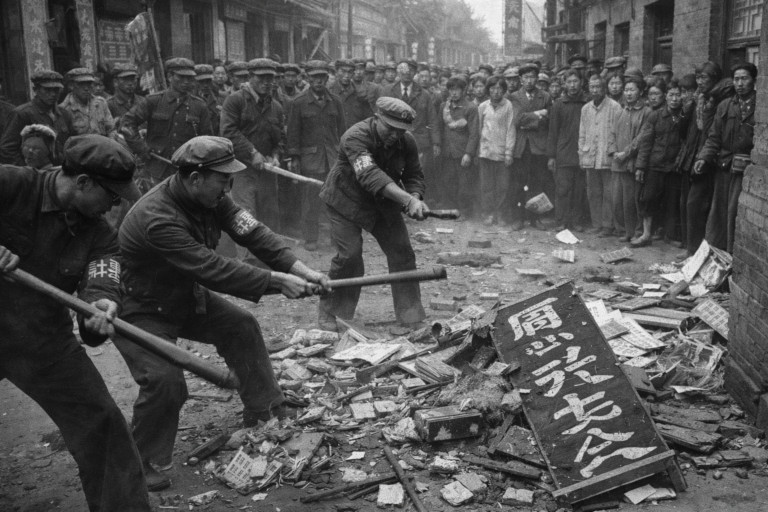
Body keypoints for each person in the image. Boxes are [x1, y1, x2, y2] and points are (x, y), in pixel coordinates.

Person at [114, 135, 328, 490]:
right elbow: (211, 268)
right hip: (140, 308)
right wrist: (275, 281)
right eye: (223, 180)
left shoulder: (212, 196)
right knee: (165, 381)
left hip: (182, 295)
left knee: (240, 326)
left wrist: (300, 268)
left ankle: (266, 408)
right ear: (195, 177)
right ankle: (143, 459)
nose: (229, 187)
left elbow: (253, 232)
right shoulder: (157, 217)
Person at [0, 134, 151, 508]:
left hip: (40, 340)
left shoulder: (100, 233)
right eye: (111, 197)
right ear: (83, 182)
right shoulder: (13, 183)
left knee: (103, 423)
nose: (114, 206)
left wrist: (101, 305)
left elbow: (103, 278)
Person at [317, 97, 430, 331]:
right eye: (390, 129)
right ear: (377, 118)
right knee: (350, 256)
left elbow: (414, 175)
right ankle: (334, 314)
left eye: (401, 131)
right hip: (345, 202)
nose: (395, 135)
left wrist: (416, 198)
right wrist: (406, 199)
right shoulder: (355, 137)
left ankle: (410, 314)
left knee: (402, 253)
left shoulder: (406, 141)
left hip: (382, 204)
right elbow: (370, 175)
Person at [695, 62, 757, 253]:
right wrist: (703, 157)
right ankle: (715, 257)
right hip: (724, 168)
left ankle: (733, 258)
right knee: (718, 215)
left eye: (744, 78)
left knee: (735, 214)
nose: (739, 83)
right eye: (736, 79)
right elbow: (714, 136)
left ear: (754, 80)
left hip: (747, 171)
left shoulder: (761, 105)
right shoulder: (725, 106)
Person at [122, 58, 213, 185]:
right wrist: (141, 148)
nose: (186, 82)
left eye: (189, 78)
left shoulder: (199, 106)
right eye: (181, 77)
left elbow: (207, 139)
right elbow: (127, 124)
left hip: (187, 171)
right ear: (170, 76)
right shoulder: (153, 101)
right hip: (156, 170)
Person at [220, 58, 285, 235]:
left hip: (267, 171)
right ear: (250, 77)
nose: (267, 82)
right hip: (241, 169)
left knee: (270, 217)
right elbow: (228, 133)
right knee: (245, 217)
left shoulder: (276, 107)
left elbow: (280, 138)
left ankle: (270, 260)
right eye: (261, 78)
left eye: (270, 78)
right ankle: (247, 261)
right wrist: (252, 152)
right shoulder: (235, 101)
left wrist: (276, 155)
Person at [286, 60, 345, 251]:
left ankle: (337, 239)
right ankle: (311, 238)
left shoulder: (336, 101)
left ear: (327, 79)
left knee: (336, 201)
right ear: (308, 79)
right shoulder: (299, 103)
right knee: (310, 201)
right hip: (310, 160)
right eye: (314, 77)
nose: (318, 81)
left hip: (333, 159)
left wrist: (344, 156)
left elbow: (343, 132)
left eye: (322, 77)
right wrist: (294, 159)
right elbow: (293, 134)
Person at [676, 62, 732, 256]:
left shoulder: (719, 100)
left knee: (697, 205)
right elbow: (684, 131)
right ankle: (690, 248)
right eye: (698, 77)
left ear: (714, 79)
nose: (699, 82)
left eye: (704, 78)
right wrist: (687, 108)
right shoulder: (699, 99)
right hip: (692, 157)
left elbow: (711, 131)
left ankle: (696, 251)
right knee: (688, 204)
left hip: (708, 160)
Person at [634, 78, 686, 247]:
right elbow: (646, 143)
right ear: (666, 96)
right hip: (654, 165)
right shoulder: (655, 116)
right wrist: (641, 166)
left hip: (674, 167)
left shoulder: (685, 117)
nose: (674, 99)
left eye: (678, 95)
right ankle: (646, 234)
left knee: (672, 202)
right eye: (671, 95)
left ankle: (669, 235)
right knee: (648, 199)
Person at [382, 59, 441, 198]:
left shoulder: (424, 94)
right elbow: (381, 116)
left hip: (418, 141)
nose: (406, 74)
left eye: (411, 71)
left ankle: (417, 200)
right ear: (398, 71)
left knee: (417, 172)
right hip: (394, 139)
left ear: (415, 73)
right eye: (403, 70)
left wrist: (436, 142)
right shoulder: (388, 90)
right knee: (393, 170)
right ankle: (397, 201)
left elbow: (432, 119)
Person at [510, 62, 552, 230]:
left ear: (537, 78)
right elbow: (517, 120)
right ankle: (519, 218)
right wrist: (537, 115)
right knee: (519, 183)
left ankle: (535, 219)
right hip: (521, 147)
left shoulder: (545, 96)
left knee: (537, 183)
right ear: (520, 79)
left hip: (538, 146)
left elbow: (548, 120)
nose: (529, 81)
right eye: (526, 77)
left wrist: (529, 121)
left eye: (532, 77)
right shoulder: (514, 97)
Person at [579, 74, 622, 236]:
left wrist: (614, 152)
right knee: (593, 192)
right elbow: (582, 134)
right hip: (590, 156)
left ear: (605, 89)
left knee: (609, 193)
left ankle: (607, 225)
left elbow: (619, 133)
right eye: (592, 87)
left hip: (607, 157)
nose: (595, 90)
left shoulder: (615, 107)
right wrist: (582, 155)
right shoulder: (586, 109)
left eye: (598, 87)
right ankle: (596, 223)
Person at [608, 73, 649, 242]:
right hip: (617, 163)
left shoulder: (646, 112)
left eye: (632, 90)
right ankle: (624, 230)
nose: (628, 93)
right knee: (617, 200)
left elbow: (641, 138)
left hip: (632, 164)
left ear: (640, 92)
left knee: (631, 201)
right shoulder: (621, 110)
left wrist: (625, 153)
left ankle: (635, 232)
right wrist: (613, 151)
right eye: (626, 90)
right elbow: (612, 133)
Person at [0, 70, 68, 165]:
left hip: (59, 172)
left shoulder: (63, 113)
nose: (53, 94)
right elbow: (7, 149)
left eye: (56, 90)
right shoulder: (22, 113)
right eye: (47, 90)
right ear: (36, 90)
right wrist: (28, 172)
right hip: (36, 175)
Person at [548, 69, 588, 231]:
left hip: (582, 153)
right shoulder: (559, 104)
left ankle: (576, 221)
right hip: (563, 153)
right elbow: (553, 132)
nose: (572, 85)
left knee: (579, 190)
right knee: (563, 189)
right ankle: (561, 221)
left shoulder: (587, 103)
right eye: (569, 82)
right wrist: (551, 156)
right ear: (565, 84)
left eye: (575, 81)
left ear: (581, 83)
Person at [438, 75, 479, 214]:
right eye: (451, 89)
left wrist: (469, 153)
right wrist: (438, 145)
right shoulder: (444, 106)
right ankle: (451, 209)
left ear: (463, 90)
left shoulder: (470, 107)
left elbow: (474, 134)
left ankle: (465, 211)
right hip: (447, 151)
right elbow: (438, 127)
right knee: (448, 181)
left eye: (457, 90)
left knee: (464, 184)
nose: (454, 92)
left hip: (462, 152)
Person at [478, 76, 516, 226]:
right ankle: (488, 214)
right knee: (486, 186)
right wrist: (479, 150)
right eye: (493, 89)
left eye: (499, 89)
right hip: (485, 152)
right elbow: (479, 129)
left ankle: (500, 214)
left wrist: (509, 153)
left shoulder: (508, 106)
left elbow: (510, 129)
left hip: (501, 153)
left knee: (502, 187)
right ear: (488, 90)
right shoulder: (482, 106)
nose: (496, 92)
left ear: (504, 90)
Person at [59, 68, 116, 138]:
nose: (86, 88)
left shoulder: (101, 103)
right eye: (81, 84)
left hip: (103, 146)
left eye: (89, 83)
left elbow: (111, 129)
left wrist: (110, 142)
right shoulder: (64, 109)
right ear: (71, 86)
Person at [330, 59, 378, 130]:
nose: (346, 75)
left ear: (353, 73)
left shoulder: (361, 94)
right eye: (343, 71)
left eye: (350, 72)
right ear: (336, 72)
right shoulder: (329, 93)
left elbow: (369, 119)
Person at [107, 63, 145, 130]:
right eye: (125, 79)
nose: (130, 83)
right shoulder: (108, 104)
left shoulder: (143, 102)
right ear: (116, 82)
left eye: (132, 79)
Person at [194, 64, 222, 133]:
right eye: (201, 82)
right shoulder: (190, 100)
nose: (205, 85)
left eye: (208, 81)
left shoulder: (220, 97)